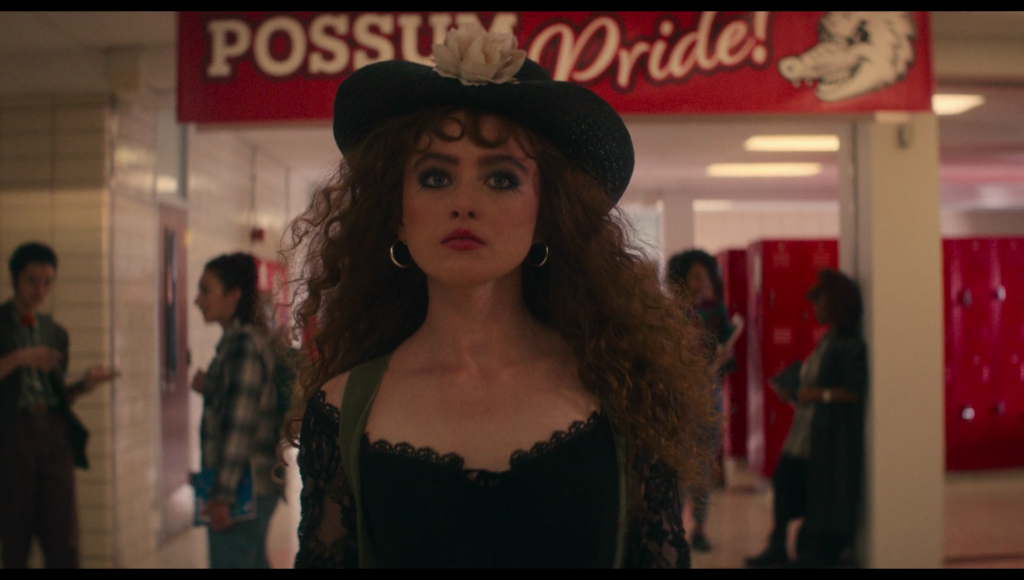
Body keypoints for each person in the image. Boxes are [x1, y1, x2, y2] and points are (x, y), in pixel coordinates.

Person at [285, 22, 716, 568]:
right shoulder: (342, 409)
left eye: (502, 179)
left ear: (545, 217)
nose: (464, 203)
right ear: (396, 215)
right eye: (436, 178)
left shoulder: (622, 392)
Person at [0, 241, 117, 568]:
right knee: (15, 532)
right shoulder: (2, 324)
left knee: (62, 531)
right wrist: (21, 358)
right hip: (12, 435)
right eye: (32, 280)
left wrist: (84, 384)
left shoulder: (55, 332)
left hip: (52, 432)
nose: (40, 290)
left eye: (47, 282)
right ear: (14, 279)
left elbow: (58, 393)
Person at [745, 267, 867, 568]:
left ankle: (809, 549)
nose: (815, 308)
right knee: (783, 482)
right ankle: (778, 545)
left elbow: (853, 391)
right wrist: (796, 391)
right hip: (804, 434)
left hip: (823, 438)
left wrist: (818, 395)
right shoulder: (828, 340)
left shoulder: (848, 344)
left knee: (809, 491)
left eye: (820, 301)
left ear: (836, 303)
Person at [192, 252, 282, 568]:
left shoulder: (244, 345)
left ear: (233, 296)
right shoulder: (239, 343)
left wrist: (222, 496)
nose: (197, 300)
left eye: (205, 290)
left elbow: (240, 428)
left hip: (244, 491)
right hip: (251, 487)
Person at [666, 249, 736, 553]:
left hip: (709, 396)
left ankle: (700, 527)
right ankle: (675, 526)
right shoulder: (668, 315)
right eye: (697, 276)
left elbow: (727, 364)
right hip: (679, 397)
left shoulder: (715, 314)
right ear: (682, 278)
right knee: (677, 465)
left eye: (706, 275)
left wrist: (724, 357)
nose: (703, 281)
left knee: (704, 464)